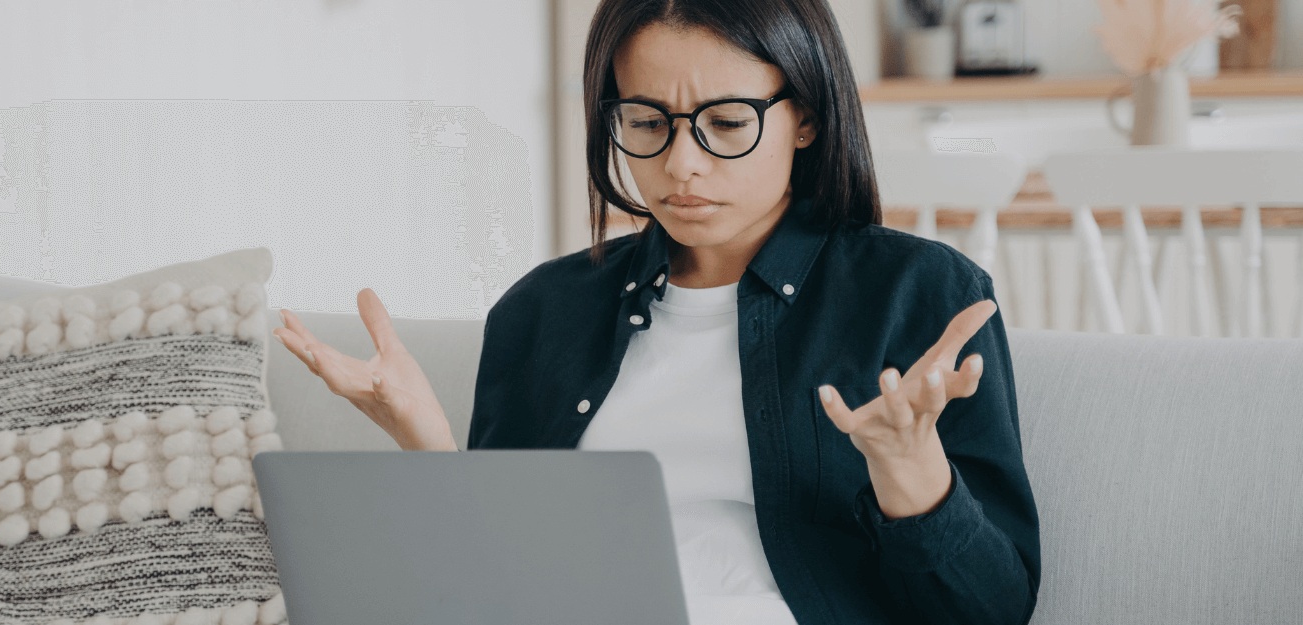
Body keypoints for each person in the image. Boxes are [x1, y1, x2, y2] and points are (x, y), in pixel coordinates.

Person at [270, 0, 1040, 623]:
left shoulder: (920, 294)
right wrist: (430, 451)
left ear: (805, 116)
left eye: (728, 124)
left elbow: (993, 610)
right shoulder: (544, 309)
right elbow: (495, 587)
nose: (681, 165)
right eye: (645, 123)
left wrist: (912, 476)